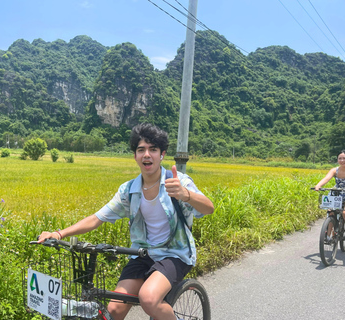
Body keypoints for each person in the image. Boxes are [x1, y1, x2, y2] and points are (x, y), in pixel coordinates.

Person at [37, 123, 214, 320]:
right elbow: (97, 218)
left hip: (174, 254)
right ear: (135, 156)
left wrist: (186, 194)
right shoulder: (129, 191)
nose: (147, 154)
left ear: (162, 154)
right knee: (113, 312)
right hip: (142, 254)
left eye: (153, 149)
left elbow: (209, 208)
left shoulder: (177, 182)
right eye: (141, 150)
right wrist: (59, 234)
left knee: (148, 299)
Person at [314, 150, 345, 238]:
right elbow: (326, 178)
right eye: (340, 158)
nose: (342, 160)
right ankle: (328, 236)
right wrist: (318, 185)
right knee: (331, 212)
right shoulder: (335, 170)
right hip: (337, 193)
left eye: (344, 158)